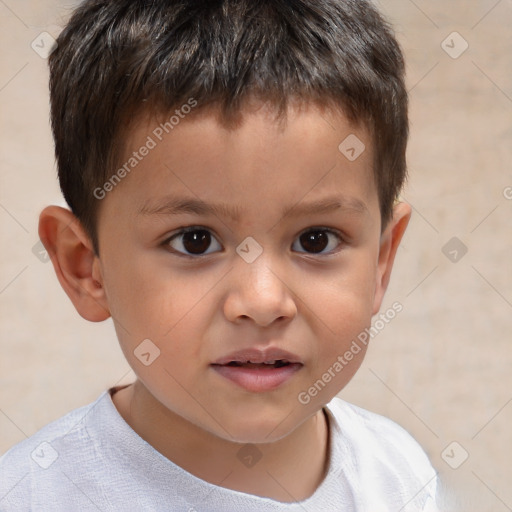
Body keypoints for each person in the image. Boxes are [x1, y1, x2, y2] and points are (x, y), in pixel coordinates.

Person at [0, 0, 440, 510]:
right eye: (195, 241)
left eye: (316, 240)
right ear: (85, 266)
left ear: (381, 263)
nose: (262, 301)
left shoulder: (400, 477)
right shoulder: (32, 495)